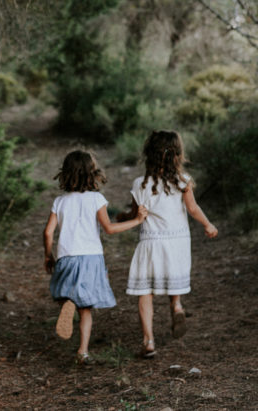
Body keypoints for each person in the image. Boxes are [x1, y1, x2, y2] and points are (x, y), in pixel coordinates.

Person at [43, 150, 148, 365]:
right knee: (86, 309)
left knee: (68, 293)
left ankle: (68, 302)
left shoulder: (60, 201)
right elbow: (108, 228)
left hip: (66, 257)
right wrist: (137, 221)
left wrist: (48, 255)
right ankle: (83, 351)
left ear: (66, 173)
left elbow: (47, 232)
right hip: (91, 258)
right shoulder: (96, 199)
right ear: (93, 173)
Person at [121, 130, 218, 358]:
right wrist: (208, 224)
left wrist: (122, 218)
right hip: (177, 241)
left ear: (149, 154)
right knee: (173, 277)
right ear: (177, 155)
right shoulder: (183, 181)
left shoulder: (140, 184)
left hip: (151, 242)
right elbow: (193, 209)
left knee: (146, 291)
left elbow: (135, 216)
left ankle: (149, 340)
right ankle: (176, 306)